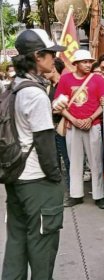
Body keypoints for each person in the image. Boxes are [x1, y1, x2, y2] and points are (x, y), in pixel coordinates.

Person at [2, 28, 64, 280]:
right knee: (42, 243)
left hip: (15, 176)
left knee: (16, 240)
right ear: (38, 56)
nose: (54, 58)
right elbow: (45, 143)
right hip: (37, 180)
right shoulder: (35, 93)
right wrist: (57, 178)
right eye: (50, 54)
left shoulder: (14, 87)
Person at [54, 49, 104, 209]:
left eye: (89, 62)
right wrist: (73, 120)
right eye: (84, 62)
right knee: (74, 161)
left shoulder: (98, 80)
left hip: (93, 125)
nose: (88, 64)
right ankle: (75, 194)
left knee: (96, 162)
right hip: (72, 126)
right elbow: (59, 104)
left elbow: (103, 103)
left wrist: (90, 118)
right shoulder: (65, 80)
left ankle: (100, 195)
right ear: (76, 64)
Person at [43, 57, 71, 196]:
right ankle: (59, 189)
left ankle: (70, 190)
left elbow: (66, 107)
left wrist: (55, 110)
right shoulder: (49, 87)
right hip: (51, 127)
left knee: (66, 159)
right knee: (55, 160)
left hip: (63, 126)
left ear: (53, 68)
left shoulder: (64, 84)